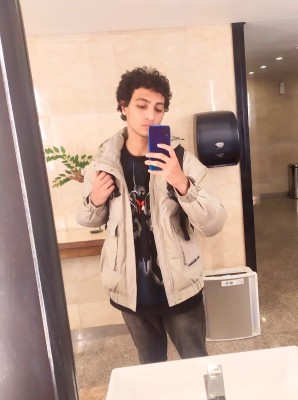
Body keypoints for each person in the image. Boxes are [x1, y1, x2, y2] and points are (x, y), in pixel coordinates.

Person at [76, 66, 227, 364]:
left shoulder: (180, 160)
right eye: (142, 106)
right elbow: (88, 218)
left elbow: (214, 223)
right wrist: (95, 199)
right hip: (130, 290)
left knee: (196, 361)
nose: (151, 116)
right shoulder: (104, 162)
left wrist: (181, 182)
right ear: (124, 107)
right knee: (149, 365)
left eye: (158, 108)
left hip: (180, 287)